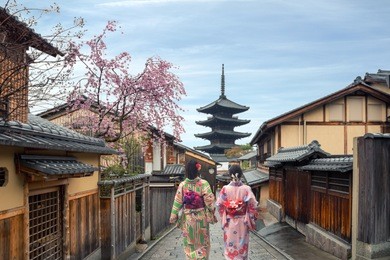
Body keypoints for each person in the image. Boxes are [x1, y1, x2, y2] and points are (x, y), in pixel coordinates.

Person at [169, 159, 217, 259]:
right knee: (202, 243)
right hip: (201, 218)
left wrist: (173, 216)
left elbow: (177, 202)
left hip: (188, 218)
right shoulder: (204, 183)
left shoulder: (182, 185)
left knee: (189, 244)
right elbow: (210, 202)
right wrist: (212, 211)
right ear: (198, 169)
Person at [216, 165, 259, 260]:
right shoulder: (246, 189)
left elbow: (219, 205)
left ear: (229, 175)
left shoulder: (225, 189)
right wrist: (251, 218)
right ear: (241, 174)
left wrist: (226, 214)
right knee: (242, 245)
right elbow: (253, 206)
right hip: (243, 222)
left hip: (229, 221)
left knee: (230, 246)